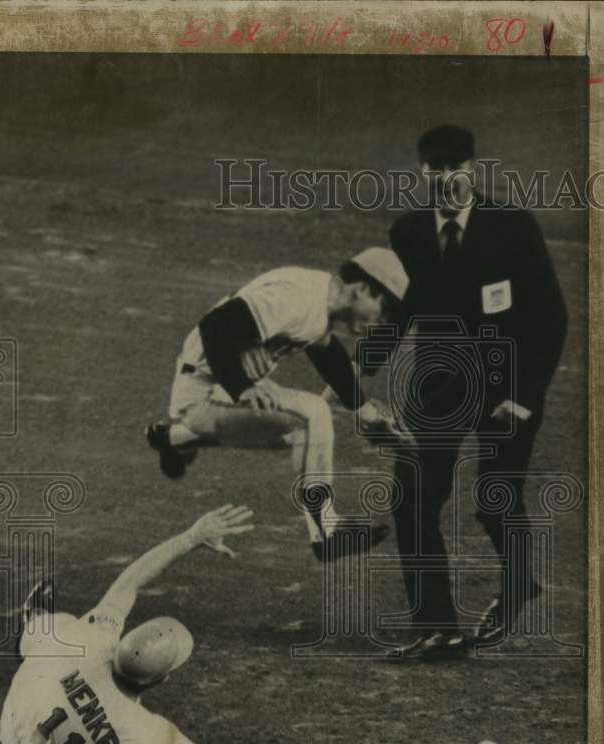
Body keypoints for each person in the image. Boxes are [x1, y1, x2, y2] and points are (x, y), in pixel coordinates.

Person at [0, 505, 338, 744]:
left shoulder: (92, 640)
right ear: (163, 679)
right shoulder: (143, 733)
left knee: (57, 628)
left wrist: (192, 536)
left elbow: (129, 581)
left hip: (12, 724)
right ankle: (37, 627)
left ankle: (34, 622)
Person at [384, 124, 567, 658]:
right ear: (422, 171)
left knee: (495, 499)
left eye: (455, 167)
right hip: (438, 385)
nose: (445, 178)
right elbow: (403, 309)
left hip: (506, 384)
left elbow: (551, 317)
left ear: (473, 168)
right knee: (413, 499)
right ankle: (437, 626)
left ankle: (518, 586)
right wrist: (350, 376)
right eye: (434, 168)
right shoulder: (409, 232)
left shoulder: (513, 226)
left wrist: (525, 395)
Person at [146, 248, 409, 562]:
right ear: (361, 289)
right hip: (204, 393)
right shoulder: (296, 297)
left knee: (306, 436)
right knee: (313, 413)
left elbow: (328, 356)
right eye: (384, 310)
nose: (382, 322)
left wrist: (366, 412)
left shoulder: (320, 307)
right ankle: (328, 533)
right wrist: (242, 386)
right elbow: (215, 326)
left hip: (220, 395)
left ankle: (171, 438)